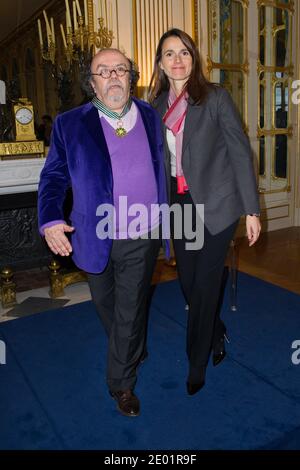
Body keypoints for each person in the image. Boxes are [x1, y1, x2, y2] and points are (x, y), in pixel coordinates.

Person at [38, 48, 167, 417]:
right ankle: (132, 349)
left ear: (132, 76)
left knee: (129, 308)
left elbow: (162, 165)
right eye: (103, 71)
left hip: (142, 232)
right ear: (91, 81)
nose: (113, 76)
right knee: (106, 306)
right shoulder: (70, 123)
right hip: (94, 235)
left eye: (120, 69)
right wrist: (49, 219)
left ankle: (121, 385)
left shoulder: (148, 114)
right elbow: (53, 178)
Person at [149, 29, 261, 396]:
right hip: (179, 205)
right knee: (188, 284)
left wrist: (251, 210)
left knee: (204, 283)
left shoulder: (214, 98)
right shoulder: (154, 106)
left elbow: (241, 153)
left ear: (193, 58)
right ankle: (216, 329)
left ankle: (197, 362)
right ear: (161, 63)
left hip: (218, 204)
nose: (177, 59)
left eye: (184, 52)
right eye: (169, 53)